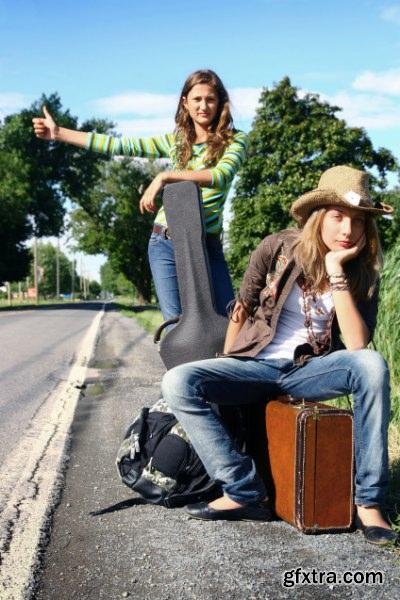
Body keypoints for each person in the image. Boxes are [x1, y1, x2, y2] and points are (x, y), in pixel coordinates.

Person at [161, 165, 398, 546]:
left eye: (357, 221)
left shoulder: (364, 270)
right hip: (254, 364)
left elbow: (356, 344)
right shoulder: (277, 248)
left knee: (372, 365)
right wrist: (226, 359)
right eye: (338, 217)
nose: (347, 230)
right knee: (178, 381)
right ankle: (243, 489)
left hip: (310, 370)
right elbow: (242, 305)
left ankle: (369, 502)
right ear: (319, 217)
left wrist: (337, 271)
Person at [32, 69, 247, 321]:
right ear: (185, 102)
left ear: (220, 102)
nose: (203, 106)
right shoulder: (177, 142)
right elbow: (121, 145)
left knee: (230, 319)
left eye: (210, 99)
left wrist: (165, 176)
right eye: (197, 99)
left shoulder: (234, 141)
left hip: (207, 242)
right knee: (175, 326)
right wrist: (59, 134)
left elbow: (219, 175)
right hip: (166, 241)